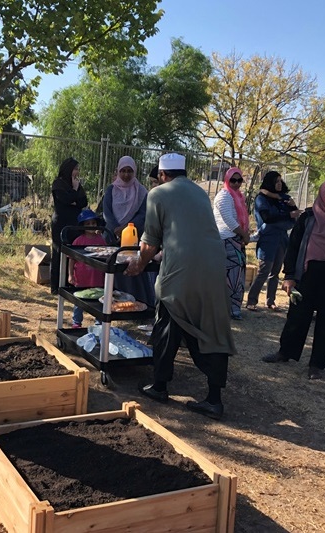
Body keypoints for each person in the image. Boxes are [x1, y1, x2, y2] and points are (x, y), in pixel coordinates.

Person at [125, 153, 236, 420]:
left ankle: (160, 386)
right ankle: (214, 399)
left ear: (162, 175)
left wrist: (138, 265)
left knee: (167, 321)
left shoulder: (158, 193)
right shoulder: (200, 193)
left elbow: (150, 242)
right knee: (211, 327)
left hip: (181, 271)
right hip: (214, 267)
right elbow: (188, 232)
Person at [261, 178, 325, 379]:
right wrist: (288, 276)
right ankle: (285, 352)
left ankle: (317, 365)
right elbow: (294, 247)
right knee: (297, 318)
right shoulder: (309, 218)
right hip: (307, 275)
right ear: (323, 193)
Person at [102, 155, 155, 305]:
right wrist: (115, 229)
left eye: (129, 171)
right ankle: (112, 302)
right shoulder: (111, 189)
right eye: (123, 171)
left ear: (135, 172)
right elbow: (107, 212)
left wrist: (126, 228)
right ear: (118, 171)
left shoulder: (141, 192)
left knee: (132, 267)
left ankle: (136, 301)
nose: (126, 174)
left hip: (133, 236)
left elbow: (143, 214)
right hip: (112, 237)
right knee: (113, 269)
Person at [246, 171, 299, 311]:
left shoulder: (285, 198)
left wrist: (292, 207)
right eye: (276, 181)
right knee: (264, 270)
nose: (279, 184)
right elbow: (267, 218)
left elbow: (294, 218)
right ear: (270, 182)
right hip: (268, 239)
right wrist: (286, 215)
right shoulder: (261, 199)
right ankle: (252, 300)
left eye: (281, 181)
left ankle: (271, 301)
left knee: (275, 272)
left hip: (281, 239)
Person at [213, 166, 251, 320]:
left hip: (235, 240)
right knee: (230, 277)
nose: (236, 183)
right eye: (232, 180)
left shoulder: (238, 197)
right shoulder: (224, 196)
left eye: (239, 180)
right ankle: (227, 309)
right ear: (226, 180)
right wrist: (244, 235)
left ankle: (233, 308)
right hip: (226, 241)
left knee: (236, 277)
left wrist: (243, 236)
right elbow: (229, 220)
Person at [50, 157, 88, 295]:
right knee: (59, 252)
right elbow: (64, 200)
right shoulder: (58, 183)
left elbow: (83, 202)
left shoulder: (77, 184)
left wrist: (75, 194)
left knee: (73, 253)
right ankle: (56, 286)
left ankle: (70, 283)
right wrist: (74, 194)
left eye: (78, 169)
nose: (77, 172)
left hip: (75, 223)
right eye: (75, 169)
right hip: (61, 223)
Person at [68, 209, 107, 328]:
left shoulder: (101, 240)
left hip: (97, 276)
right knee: (79, 300)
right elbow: (71, 259)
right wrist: (70, 275)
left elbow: (106, 256)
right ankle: (77, 322)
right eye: (88, 224)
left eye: (93, 223)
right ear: (82, 226)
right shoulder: (78, 241)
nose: (91, 226)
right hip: (82, 276)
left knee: (99, 300)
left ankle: (99, 322)